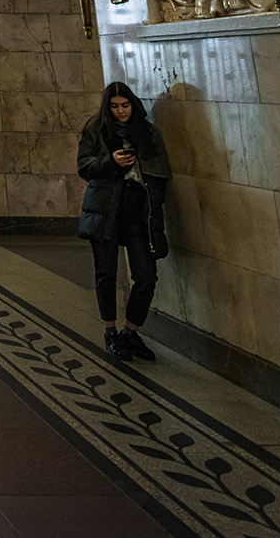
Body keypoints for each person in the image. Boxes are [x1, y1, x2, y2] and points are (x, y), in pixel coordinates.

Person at [76, 81, 170, 362]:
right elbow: (84, 166)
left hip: (136, 209)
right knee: (106, 272)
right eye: (115, 106)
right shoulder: (96, 128)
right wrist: (110, 161)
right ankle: (110, 333)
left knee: (146, 275)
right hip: (105, 206)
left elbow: (160, 169)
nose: (120, 111)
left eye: (125, 105)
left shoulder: (146, 130)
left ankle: (131, 332)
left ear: (133, 104)